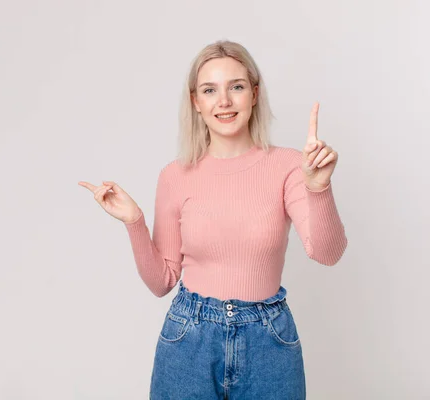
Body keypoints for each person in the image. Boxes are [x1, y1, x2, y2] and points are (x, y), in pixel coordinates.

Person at [78, 39, 347, 400]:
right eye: (210, 90)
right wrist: (135, 221)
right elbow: (162, 281)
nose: (224, 101)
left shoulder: (288, 165)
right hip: (190, 337)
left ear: (254, 94)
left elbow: (327, 253)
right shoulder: (175, 175)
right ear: (196, 102)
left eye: (235, 87)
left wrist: (318, 187)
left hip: (268, 338)